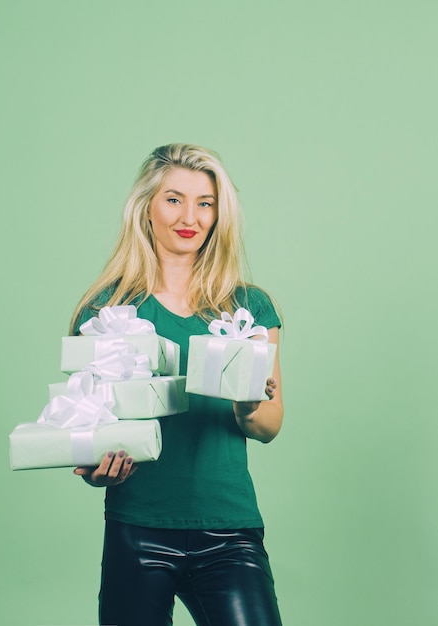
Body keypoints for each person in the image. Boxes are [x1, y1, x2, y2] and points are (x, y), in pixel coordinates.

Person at [70, 143, 284, 626]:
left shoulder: (248, 308)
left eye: (205, 203)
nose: (190, 215)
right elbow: (84, 425)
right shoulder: (106, 312)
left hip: (229, 531)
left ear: (218, 214)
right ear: (146, 207)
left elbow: (270, 424)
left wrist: (248, 405)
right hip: (137, 529)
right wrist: (93, 467)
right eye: (174, 199)